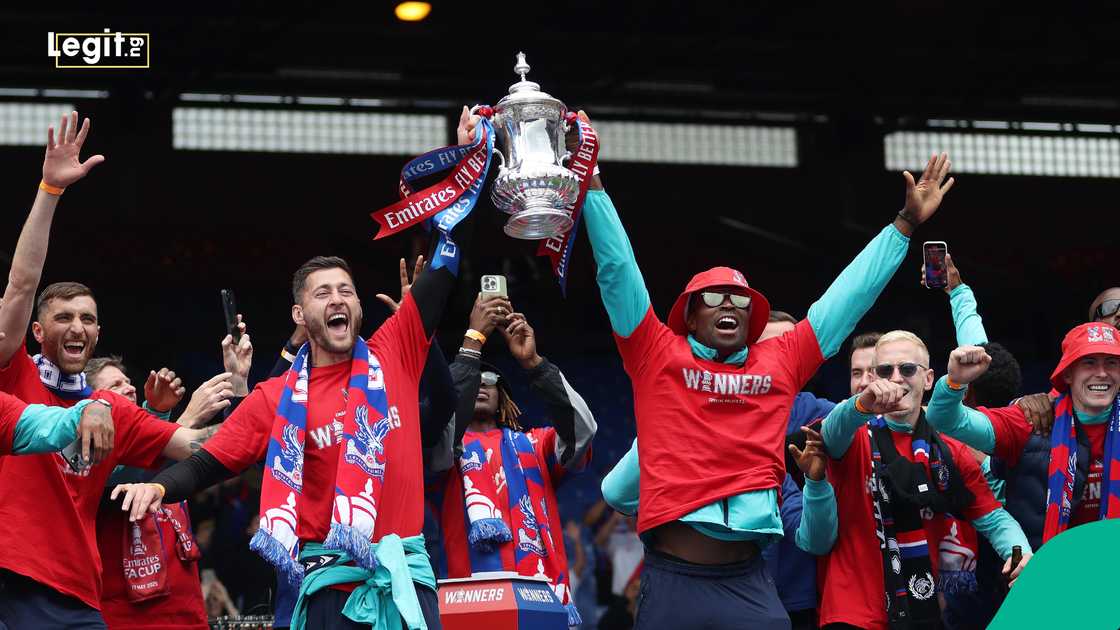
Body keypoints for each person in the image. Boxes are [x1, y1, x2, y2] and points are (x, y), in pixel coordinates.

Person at [581, 101, 956, 628]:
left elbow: (846, 299)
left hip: (752, 582)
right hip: (674, 581)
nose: (728, 306)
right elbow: (618, 270)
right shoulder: (655, 354)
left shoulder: (780, 362)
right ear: (688, 314)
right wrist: (592, 186)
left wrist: (903, 225)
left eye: (739, 300)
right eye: (713, 298)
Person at [111, 107, 483, 630]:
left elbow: (445, 262)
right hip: (328, 592)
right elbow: (208, 464)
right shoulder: (273, 398)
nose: (338, 300)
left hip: (405, 590)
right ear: (300, 316)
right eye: (323, 293)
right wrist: (158, 487)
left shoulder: (393, 348)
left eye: (347, 291)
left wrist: (465, 160)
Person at [0, 111, 228, 629]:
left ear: (99, 334)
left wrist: (284, 415)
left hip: (82, 593)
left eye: (88, 319)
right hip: (13, 581)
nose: (77, 326)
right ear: (38, 333)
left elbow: (197, 448)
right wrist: (49, 191)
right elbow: (20, 286)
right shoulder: (15, 375)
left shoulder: (114, 410)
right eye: (62, 318)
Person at [817, 331, 1031, 629]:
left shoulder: (949, 450)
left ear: (929, 379)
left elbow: (994, 520)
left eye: (907, 369)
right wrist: (862, 404)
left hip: (922, 611)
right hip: (851, 613)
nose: (896, 378)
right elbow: (830, 432)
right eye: (884, 371)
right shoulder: (854, 433)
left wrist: (1020, 554)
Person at [434, 299, 596, 624]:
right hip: (469, 604)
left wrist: (535, 364)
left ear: (503, 398)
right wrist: (472, 342)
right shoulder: (441, 451)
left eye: (491, 381)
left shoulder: (535, 445)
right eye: (474, 380)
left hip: (544, 599)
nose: (481, 383)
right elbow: (438, 421)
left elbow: (582, 431)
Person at [84, 322, 249, 630]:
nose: (129, 388)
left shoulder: (172, 455)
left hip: (189, 618)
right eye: (114, 387)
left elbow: (233, 448)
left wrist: (238, 383)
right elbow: (126, 476)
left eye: (128, 382)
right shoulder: (86, 462)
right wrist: (184, 419)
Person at [925, 322, 1120, 553]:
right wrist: (954, 382)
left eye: (1112, 363)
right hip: (1048, 576)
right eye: (1089, 362)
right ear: (1067, 373)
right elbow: (943, 419)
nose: (1101, 373)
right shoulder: (1028, 421)